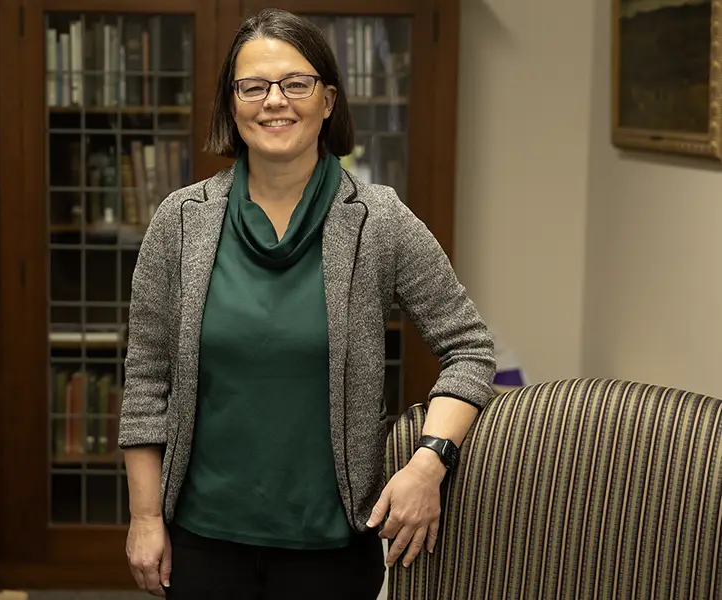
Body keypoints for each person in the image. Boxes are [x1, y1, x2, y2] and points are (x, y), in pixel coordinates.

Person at [118, 7, 496, 599]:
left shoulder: (379, 220)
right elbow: (146, 381)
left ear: (328, 101)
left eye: (296, 83)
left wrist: (429, 462)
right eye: (254, 87)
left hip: (333, 546)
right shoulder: (181, 221)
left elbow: (469, 349)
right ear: (231, 103)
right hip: (202, 543)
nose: (275, 101)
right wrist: (144, 519)